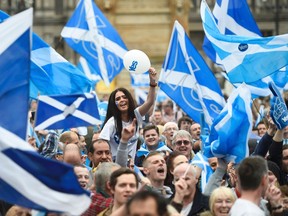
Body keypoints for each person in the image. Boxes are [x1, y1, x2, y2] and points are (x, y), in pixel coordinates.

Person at [99, 68, 157, 160]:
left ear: (129, 100)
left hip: (131, 166)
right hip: (115, 165)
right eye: (117, 99)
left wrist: (152, 83)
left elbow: (149, 102)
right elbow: (101, 143)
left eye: (124, 97)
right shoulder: (112, 123)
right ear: (114, 104)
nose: (122, 100)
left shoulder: (136, 115)